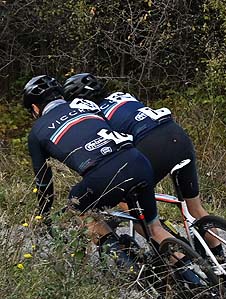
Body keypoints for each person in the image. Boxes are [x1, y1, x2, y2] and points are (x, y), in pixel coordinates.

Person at [61, 73, 221, 254]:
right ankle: (222, 260)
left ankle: (174, 253)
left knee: (131, 207)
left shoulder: (94, 116)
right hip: (177, 136)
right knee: (194, 207)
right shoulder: (121, 96)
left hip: (150, 144)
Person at [23, 75, 176, 262]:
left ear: (35, 108)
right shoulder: (85, 104)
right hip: (137, 161)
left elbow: (44, 183)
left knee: (76, 204)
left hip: (102, 175)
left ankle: (127, 263)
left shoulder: (36, 132)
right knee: (154, 228)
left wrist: (44, 214)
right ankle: (191, 271)